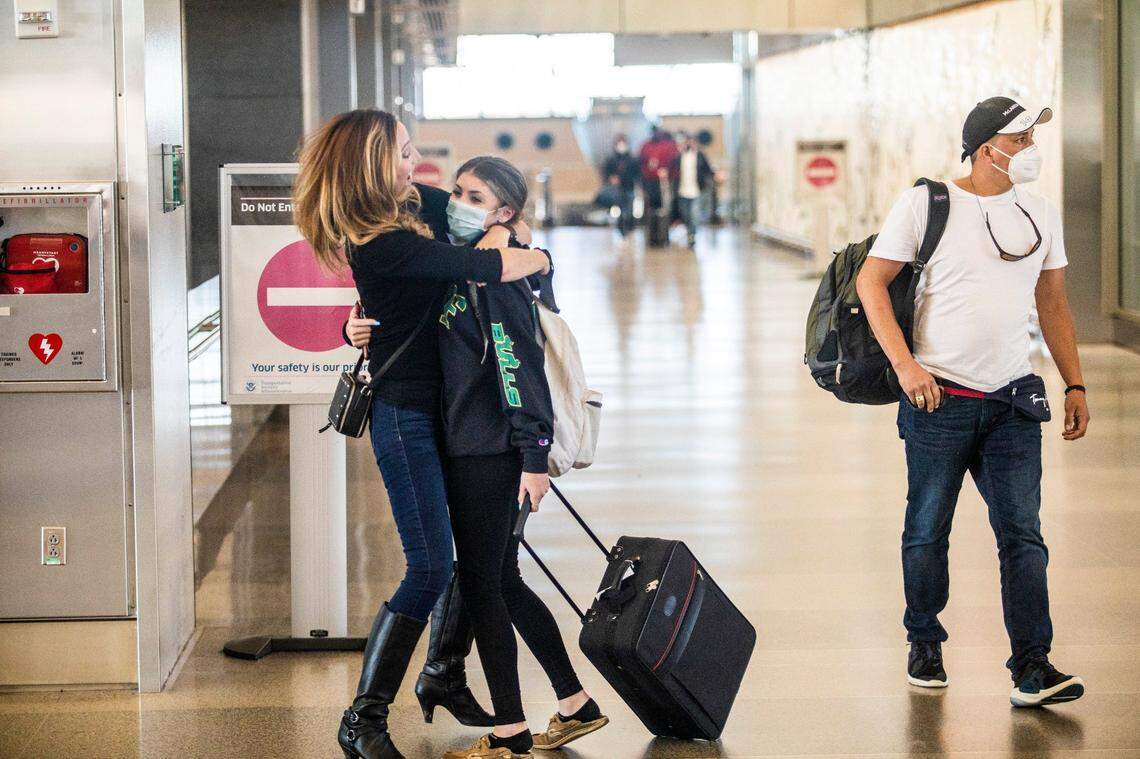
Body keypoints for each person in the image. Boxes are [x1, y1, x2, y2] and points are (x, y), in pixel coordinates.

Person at [293, 109, 551, 759]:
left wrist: (510, 236)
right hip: (405, 415)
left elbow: (488, 221)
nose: (417, 163)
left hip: (454, 409)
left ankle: (442, 670)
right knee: (432, 563)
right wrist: (534, 256)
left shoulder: (421, 203)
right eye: (405, 153)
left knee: (477, 554)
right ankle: (364, 718)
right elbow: (480, 268)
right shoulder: (378, 238)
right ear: (375, 165)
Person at [855, 97, 1089, 708]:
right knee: (927, 532)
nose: (1031, 149)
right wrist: (905, 367)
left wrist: (1075, 382)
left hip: (1013, 401)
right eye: (1022, 139)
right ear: (989, 147)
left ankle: (1033, 666)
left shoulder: (1040, 215)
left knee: (1023, 536)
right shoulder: (928, 203)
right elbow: (871, 282)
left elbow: (1054, 303)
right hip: (939, 401)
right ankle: (924, 642)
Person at [669, 132, 713, 247]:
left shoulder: (700, 156)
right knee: (685, 214)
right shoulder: (679, 157)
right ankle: (689, 232)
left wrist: (715, 176)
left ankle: (692, 235)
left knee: (694, 214)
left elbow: (708, 170)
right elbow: (671, 170)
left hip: (697, 190)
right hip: (682, 190)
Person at [602, 134, 640, 237]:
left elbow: (636, 174)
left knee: (629, 210)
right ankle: (622, 230)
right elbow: (605, 172)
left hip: (629, 187)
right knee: (621, 211)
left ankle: (629, 229)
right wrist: (611, 178)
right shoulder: (611, 159)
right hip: (617, 190)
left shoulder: (632, 159)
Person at [638, 125, 679, 218]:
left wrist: (667, 170)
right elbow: (641, 162)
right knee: (651, 204)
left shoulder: (668, 145)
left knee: (665, 204)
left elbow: (673, 160)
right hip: (649, 180)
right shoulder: (645, 145)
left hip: (664, 180)